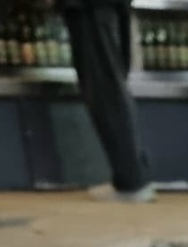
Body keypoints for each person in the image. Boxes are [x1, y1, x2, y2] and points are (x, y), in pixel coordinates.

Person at [61, 0, 154, 202]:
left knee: (104, 85)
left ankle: (132, 182)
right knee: (112, 81)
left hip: (91, 7)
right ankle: (133, 177)